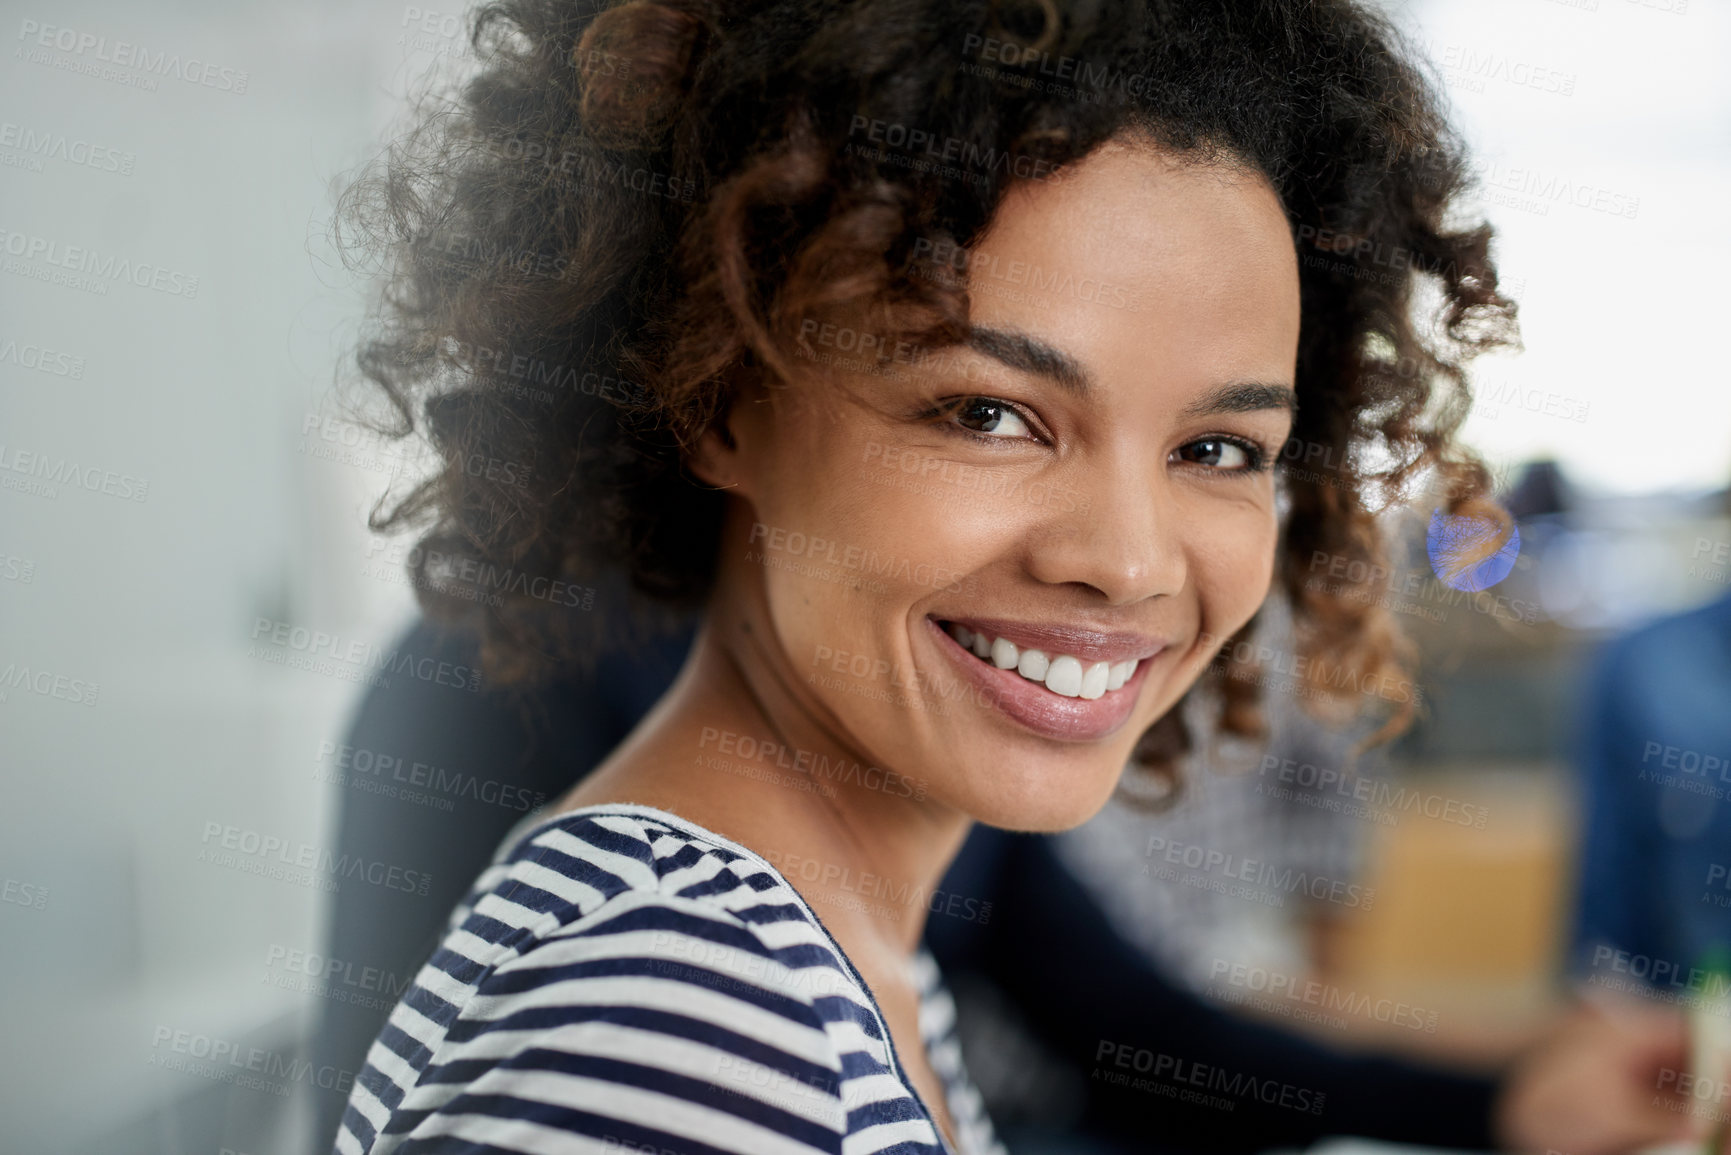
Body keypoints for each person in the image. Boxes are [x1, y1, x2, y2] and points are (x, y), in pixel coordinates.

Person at [318, 1, 1626, 1151]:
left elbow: (1125, 1020)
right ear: (718, 393)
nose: (1123, 560)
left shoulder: (830, 949)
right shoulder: (689, 1028)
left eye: (1218, 448)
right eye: (988, 414)